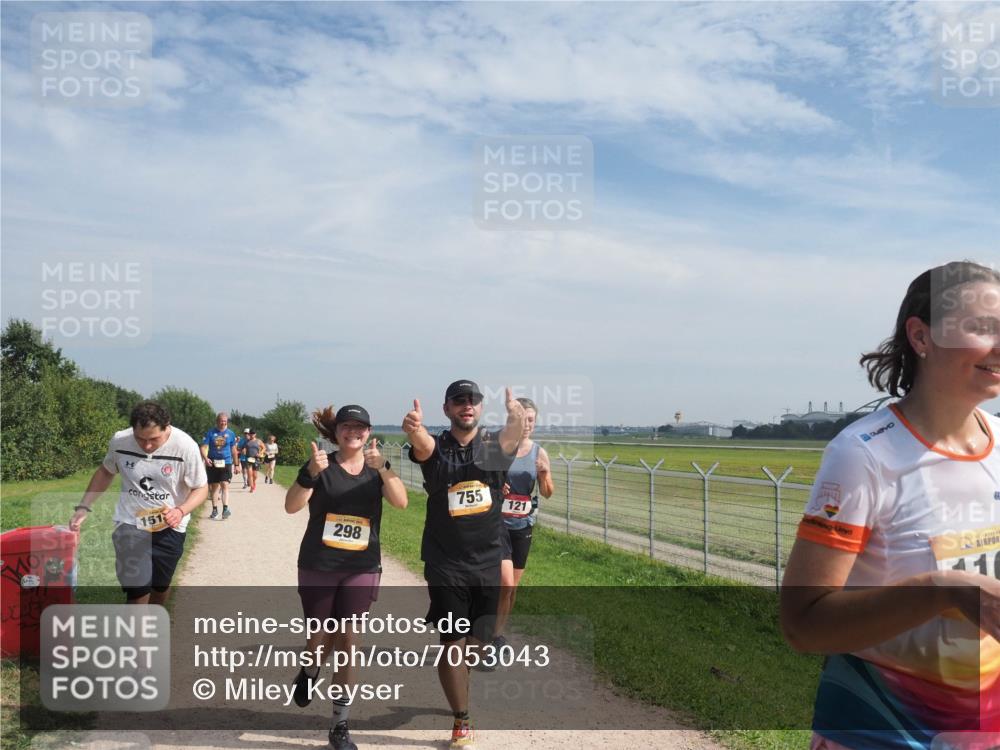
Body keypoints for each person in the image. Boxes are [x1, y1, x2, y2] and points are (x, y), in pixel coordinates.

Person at [780, 261, 1000, 750]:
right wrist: (945, 589)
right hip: (880, 731)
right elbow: (802, 625)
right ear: (921, 337)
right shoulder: (864, 454)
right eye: (983, 329)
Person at [403, 380, 526, 749]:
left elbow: (514, 434)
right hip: (446, 562)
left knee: (478, 642)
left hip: (488, 558)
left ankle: (462, 678)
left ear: (479, 408)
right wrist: (414, 429)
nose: (466, 406)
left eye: (472, 401)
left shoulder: (493, 448)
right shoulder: (437, 447)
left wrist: (516, 414)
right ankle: (462, 719)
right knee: (452, 642)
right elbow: (422, 446)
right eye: (459, 401)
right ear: (448, 409)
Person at [285, 404, 407, 750]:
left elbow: (401, 503)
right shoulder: (321, 465)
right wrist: (309, 473)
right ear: (335, 432)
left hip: (362, 566)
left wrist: (384, 468)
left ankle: (340, 725)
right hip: (319, 563)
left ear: (369, 432)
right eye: (346, 426)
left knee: (350, 641)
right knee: (320, 638)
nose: (353, 432)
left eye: (360, 427)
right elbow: (292, 506)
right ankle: (310, 671)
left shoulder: (376, 468)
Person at [69, 401, 208, 604]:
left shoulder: (185, 446)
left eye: (153, 439)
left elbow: (201, 488)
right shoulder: (120, 440)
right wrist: (83, 507)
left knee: (160, 586)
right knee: (138, 589)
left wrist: (181, 510)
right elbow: (106, 471)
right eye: (140, 439)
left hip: (170, 526)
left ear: (167, 426)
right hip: (130, 523)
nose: (147, 446)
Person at [492, 397, 554, 649]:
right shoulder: (500, 447)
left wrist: (545, 473)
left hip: (522, 526)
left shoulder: (540, 453)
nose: (527, 424)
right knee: (502, 582)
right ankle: (490, 636)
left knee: (511, 587)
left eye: (531, 420)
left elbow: (548, 492)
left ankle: (497, 632)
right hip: (496, 525)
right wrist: (497, 484)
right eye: (522, 418)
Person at [200, 412, 240, 520]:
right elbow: (203, 447)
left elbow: (234, 450)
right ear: (217, 421)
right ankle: (214, 510)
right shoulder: (210, 433)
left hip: (226, 462)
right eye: (221, 421)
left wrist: (236, 464)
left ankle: (225, 509)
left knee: (225, 484)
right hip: (212, 462)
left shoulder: (231, 434)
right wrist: (205, 458)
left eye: (225, 421)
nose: (223, 423)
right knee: (214, 487)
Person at [242, 428, 265, 493]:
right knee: (249, 474)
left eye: (253, 434)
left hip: (256, 459)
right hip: (248, 459)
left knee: (255, 476)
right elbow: (243, 448)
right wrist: (244, 450)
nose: (252, 435)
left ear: (255, 434)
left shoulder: (258, 441)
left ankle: (253, 482)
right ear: (249, 434)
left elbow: (264, 448)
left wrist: (260, 453)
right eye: (251, 434)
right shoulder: (247, 441)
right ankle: (251, 487)